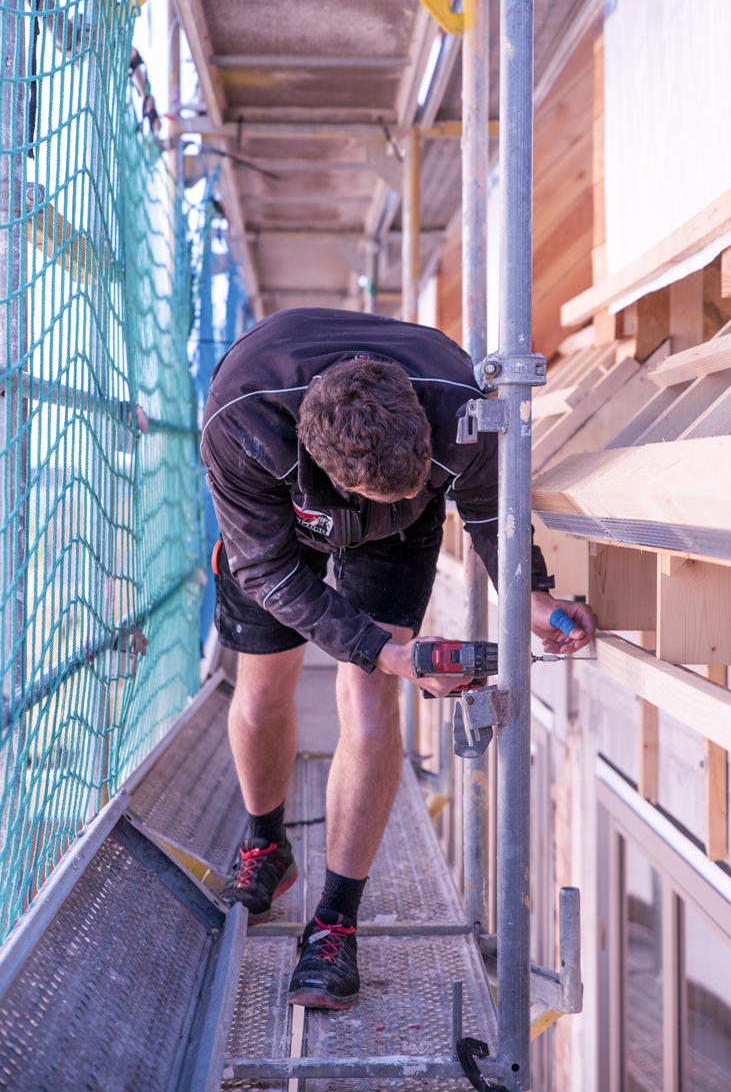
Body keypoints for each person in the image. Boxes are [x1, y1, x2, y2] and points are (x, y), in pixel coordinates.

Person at [200, 308, 596, 1011]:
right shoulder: (244, 427)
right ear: (332, 471)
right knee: (263, 686)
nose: (416, 493)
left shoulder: (460, 414)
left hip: (395, 534)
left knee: (369, 693)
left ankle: (333, 923)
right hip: (279, 527)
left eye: (419, 482)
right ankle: (267, 845)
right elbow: (269, 576)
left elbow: (484, 511)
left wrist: (529, 593)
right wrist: (384, 650)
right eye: (395, 492)